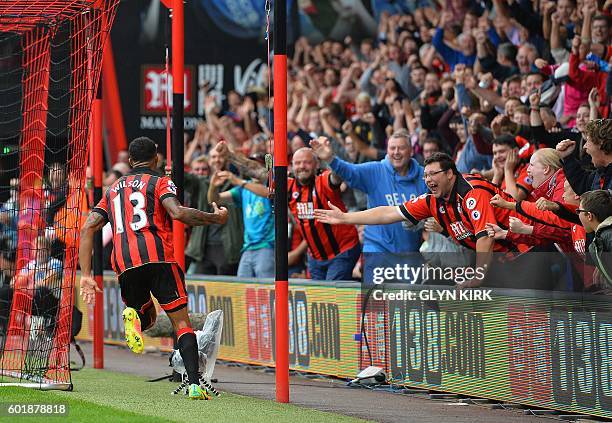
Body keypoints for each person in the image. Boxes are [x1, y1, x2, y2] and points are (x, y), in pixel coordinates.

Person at [79, 137, 228, 400]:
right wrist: (214, 218)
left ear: (129, 161)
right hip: (159, 258)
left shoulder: (113, 188)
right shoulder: (160, 181)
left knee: (145, 319)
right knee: (181, 323)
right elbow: (178, 213)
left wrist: (87, 276)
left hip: (125, 263)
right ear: (156, 157)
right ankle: (194, 384)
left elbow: (88, 227)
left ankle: (134, 316)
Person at [315, 153, 538, 288]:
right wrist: (346, 218)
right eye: (426, 176)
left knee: (528, 316)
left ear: (450, 173)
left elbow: (485, 238)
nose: (428, 180)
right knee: (432, 284)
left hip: (528, 254)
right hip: (498, 261)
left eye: (434, 174)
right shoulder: (433, 200)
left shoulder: (472, 193)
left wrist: (476, 277)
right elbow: (388, 213)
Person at [310, 131, 428, 281]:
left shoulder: (424, 177)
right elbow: (350, 171)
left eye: (401, 148)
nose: (396, 152)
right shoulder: (376, 170)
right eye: (392, 148)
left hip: (409, 253)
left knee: (404, 301)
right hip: (377, 248)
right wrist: (330, 159)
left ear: (411, 150)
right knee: (376, 299)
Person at [208, 143, 274, 279]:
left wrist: (238, 181)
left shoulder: (270, 185)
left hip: (267, 246)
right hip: (247, 248)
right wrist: (213, 186)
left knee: (267, 290)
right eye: (250, 167)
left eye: (256, 166)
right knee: (243, 289)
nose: (252, 170)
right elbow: (215, 199)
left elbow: (268, 193)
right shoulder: (242, 190)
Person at [557, 119, 612, 194]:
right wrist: (567, 157)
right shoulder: (599, 174)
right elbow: (582, 183)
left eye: (588, 141)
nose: (584, 146)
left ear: (600, 142)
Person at [579, 190, 612, 288]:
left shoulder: (608, 236)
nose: (578, 215)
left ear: (589, 216)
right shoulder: (602, 237)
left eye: (578, 211)